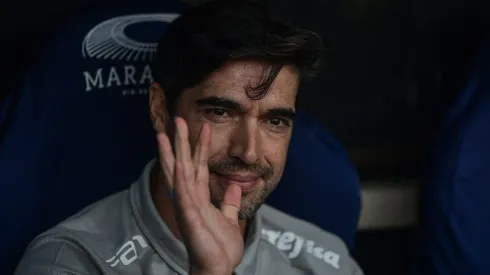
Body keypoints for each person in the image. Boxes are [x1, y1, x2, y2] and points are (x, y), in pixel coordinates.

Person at [14, 1, 363, 274]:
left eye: (275, 121)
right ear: (160, 109)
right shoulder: (70, 262)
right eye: (221, 112)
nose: (249, 152)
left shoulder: (324, 261)